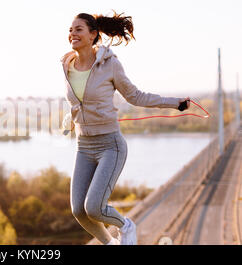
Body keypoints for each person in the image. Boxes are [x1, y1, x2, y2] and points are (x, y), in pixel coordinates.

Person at [61, 11, 190, 245]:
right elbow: (78, 101)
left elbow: (135, 96)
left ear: (93, 35)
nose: (72, 34)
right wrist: (69, 119)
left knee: (94, 207)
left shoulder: (109, 65)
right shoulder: (66, 65)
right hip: (83, 146)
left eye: (78, 29)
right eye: (70, 30)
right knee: (79, 211)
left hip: (110, 145)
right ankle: (111, 243)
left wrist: (175, 103)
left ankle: (126, 226)